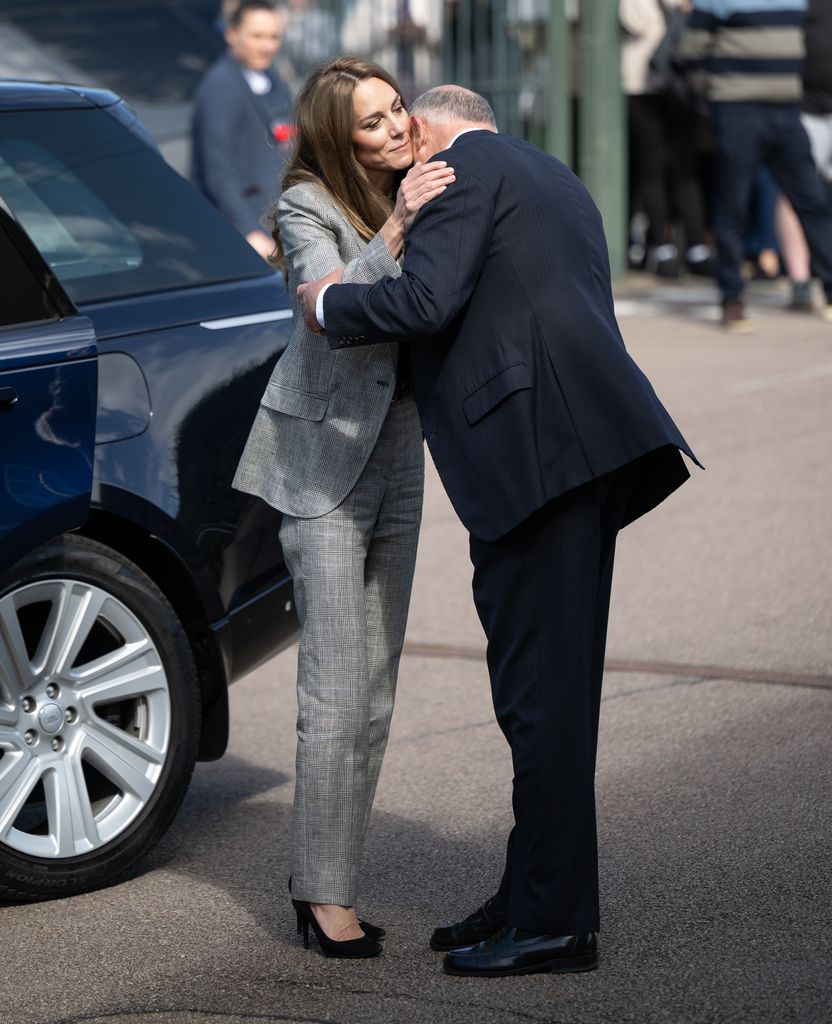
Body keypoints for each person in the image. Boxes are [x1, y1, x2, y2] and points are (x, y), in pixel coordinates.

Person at [299, 85, 700, 978]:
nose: (402, 144)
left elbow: (426, 303)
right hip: (577, 453)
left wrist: (327, 304)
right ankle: (530, 892)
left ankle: (555, 922)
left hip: (537, 458)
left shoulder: (463, 170)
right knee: (543, 692)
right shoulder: (546, 169)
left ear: (439, 128)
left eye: (408, 128)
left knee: (543, 702)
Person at [233, 57, 454, 959]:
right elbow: (331, 309)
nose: (397, 127)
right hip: (320, 460)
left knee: (374, 690)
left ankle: (330, 878)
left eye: (398, 108)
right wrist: (402, 222)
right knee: (334, 688)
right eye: (373, 121)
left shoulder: (424, 181)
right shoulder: (305, 205)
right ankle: (325, 898)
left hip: (400, 451)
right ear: (338, 136)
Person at [682, 0, 832, 331]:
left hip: (787, 111)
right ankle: (731, 299)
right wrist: (715, 95)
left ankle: (829, 288)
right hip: (737, 110)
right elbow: (692, 51)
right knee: (732, 206)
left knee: (812, 202)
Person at [191, 0, 293, 259]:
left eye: (273, 37)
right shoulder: (221, 85)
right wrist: (249, 231)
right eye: (257, 36)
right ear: (231, 34)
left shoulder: (272, 80)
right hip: (242, 236)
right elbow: (218, 170)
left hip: (274, 222)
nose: (267, 46)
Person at [620, 0, 713, 277]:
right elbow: (633, 21)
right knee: (651, 168)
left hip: (679, 85)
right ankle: (662, 247)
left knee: (685, 168)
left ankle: (696, 246)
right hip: (642, 85)